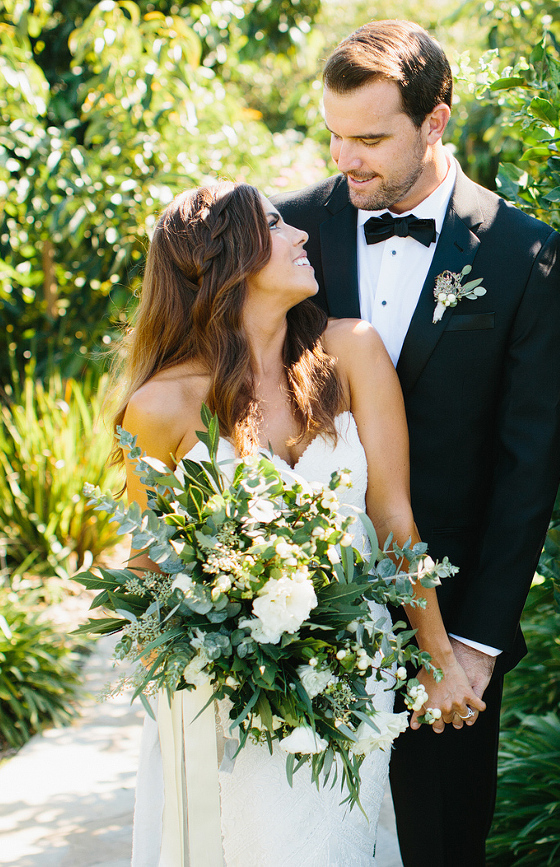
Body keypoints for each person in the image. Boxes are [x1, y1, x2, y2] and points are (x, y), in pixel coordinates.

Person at [113, 180, 485, 866]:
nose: (301, 235)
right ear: (225, 261)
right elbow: (147, 566)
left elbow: (393, 516)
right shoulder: (161, 406)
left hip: (354, 674)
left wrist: (437, 661)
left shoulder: (351, 353)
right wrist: (191, 672)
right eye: (276, 226)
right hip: (227, 697)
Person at [273, 20, 560, 866]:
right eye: (334, 136)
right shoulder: (288, 233)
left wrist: (475, 647)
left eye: (370, 139)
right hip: (298, 609)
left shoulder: (521, 252)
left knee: (440, 841)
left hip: (451, 621)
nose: (347, 160)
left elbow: (528, 466)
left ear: (435, 121)